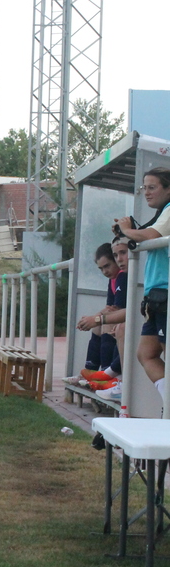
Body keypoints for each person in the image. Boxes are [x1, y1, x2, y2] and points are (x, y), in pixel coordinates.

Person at [113, 167, 170, 401]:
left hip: (166, 293)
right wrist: (127, 230)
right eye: (143, 188)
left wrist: (127, 230)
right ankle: (168, 401)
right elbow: (148, 232)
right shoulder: (162, 212)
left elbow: (152, 236)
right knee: (146, 354)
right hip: (156, 296)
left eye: (152, 187)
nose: (146, 193)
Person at [68, 243, 127, 398]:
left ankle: (107, 376)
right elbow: (109, 307)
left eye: (107, 266)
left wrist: (95, 319)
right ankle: (91, 372)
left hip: (128, 320)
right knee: (97, 327)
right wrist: (91, 319)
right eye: (101, 269)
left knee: (105, 325)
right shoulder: (113, 279)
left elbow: (118, 309)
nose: (105, 271)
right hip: (120, 316)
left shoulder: (123, 276)